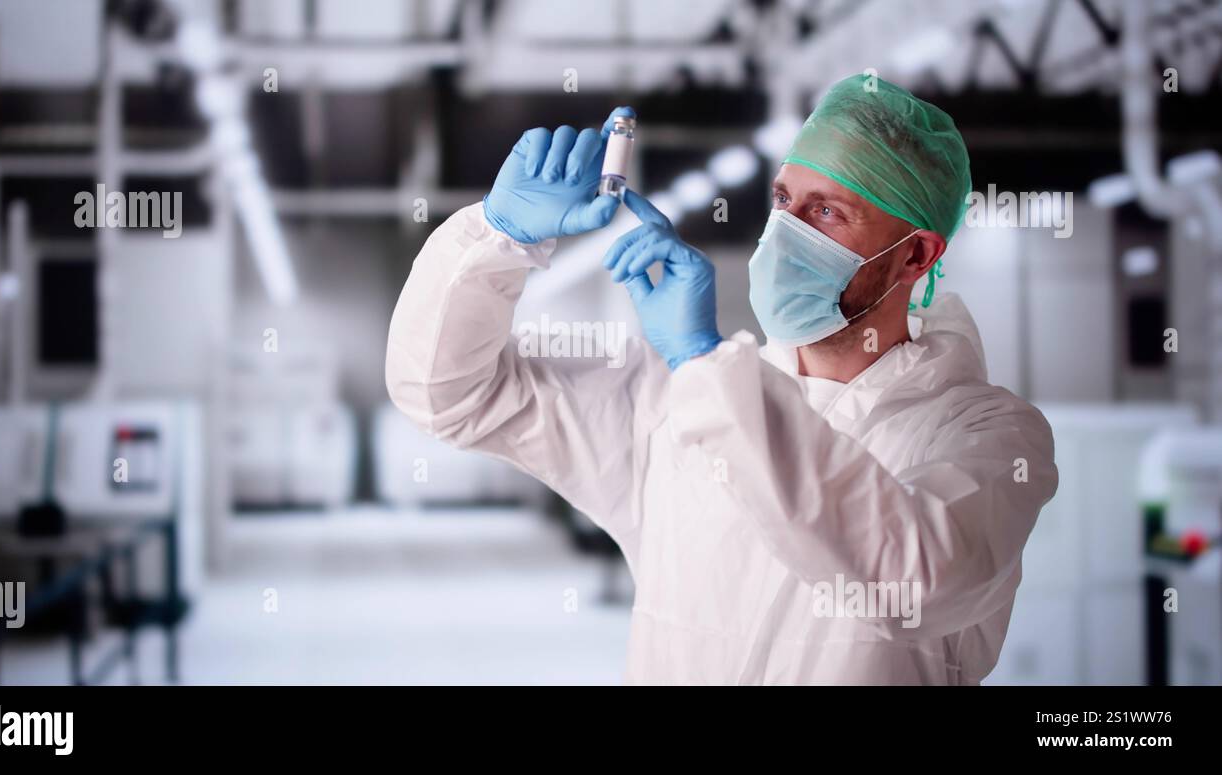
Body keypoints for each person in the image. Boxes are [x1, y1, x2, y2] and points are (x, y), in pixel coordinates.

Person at [386, 74, 1058, 684]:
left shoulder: (990, 435)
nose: (785, 233)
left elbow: (912, 582)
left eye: (827, 212)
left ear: (915, 253)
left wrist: (706, 366)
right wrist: (496, 240)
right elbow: (448, 394)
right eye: (784, 199)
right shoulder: (669, 407)